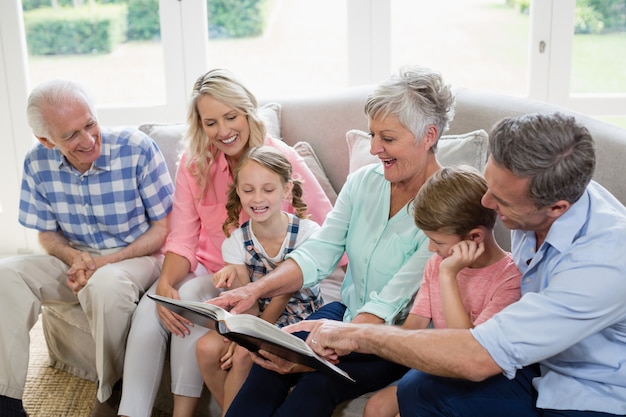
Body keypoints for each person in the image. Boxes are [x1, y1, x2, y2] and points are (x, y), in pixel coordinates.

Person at [289, 112, 626, 416]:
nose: (486, 202)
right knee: (415, 391)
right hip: (535, 366)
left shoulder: (605, 262)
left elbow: (477, 356)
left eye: (502, 200)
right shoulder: (542, 192)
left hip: (591, 392)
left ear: (557, 208)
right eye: (489, 184)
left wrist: (356, 335)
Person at [209, 65, 455, 417]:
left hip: (393, 337)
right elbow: (319, 252)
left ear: (428, 135)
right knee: (269, 359)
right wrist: (255, 290)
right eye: (372, 135)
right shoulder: (363, 182)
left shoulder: (445, 209)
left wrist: (312, 359)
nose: (373, 148)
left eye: (387, 138)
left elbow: (390, 304)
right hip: (347, 309)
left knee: (318, 381)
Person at [118, 69, 334, 417]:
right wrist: (165, 282)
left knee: (188, 302)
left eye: (231, 117)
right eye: (211, 122)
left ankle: (183, 413)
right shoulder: (194, 163)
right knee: (150, 311)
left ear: (248, 112)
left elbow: (324, 227)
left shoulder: (279, 160)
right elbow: (183, 238)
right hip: (213, 268)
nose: (223, 131)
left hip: (261, 278)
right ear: (200, 124)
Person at [0, 79, 174, 417]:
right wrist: (74, 257)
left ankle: (110, 393)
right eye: (71, 135)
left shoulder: (137, 148)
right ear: (45, 140)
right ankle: (5, 400)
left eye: (90, 124)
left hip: (136, 255)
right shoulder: (37, 163)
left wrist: (106, 262)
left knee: (105, 284)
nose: (88, 139)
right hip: (77, 259)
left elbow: (163, 229)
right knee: (5, 274)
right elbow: (47, 234)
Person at [362, 165, 521, 417]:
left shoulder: (509, 280)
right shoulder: (437, 263)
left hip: (478, 377)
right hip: (438, 366)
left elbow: (464, 351)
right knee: (376, 407)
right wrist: (361, 339)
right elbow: (412, 329)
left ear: (475, 236)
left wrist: (449, 276)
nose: (431, 247)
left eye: (438, 241)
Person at [195, 145, 324, 416]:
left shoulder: (307, 233)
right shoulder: (236, 242)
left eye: (268, 189)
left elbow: (284, 291)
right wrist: (236, 282)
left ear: (286, 190)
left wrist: (247, 339)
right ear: (238, 191)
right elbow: (249, 306)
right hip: (257, 318)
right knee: (206, 347)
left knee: (243, 354)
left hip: (300, 317)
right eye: (248, 189)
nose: (257, 198)